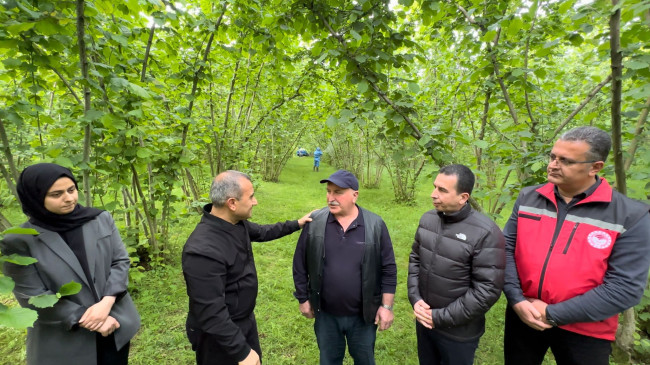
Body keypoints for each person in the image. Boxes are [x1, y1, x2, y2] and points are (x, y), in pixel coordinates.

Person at [503, 126, 650, 365]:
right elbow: (505, 250)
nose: (553, 165)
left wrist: (551, 314)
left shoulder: (630, 216)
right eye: (553, 157)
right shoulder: (529, 198)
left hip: (586, 329)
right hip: (524, 315)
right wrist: (516, 300)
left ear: (595, 167)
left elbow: (626, 287)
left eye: (566, 161)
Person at [0, 163, 140, 365]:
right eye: (56, 194)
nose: (69, 198)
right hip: (65, 338)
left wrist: (106, 303)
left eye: (71, 190)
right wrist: (90, 319)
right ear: (35, 198)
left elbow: (120, 262)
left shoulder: (99, 219)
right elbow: (33, 296)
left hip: (114, 324)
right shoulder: (19, 240)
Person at [182, 170, 313, 365]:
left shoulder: (235, 223)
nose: (255, 201)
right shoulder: (202, 251)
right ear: (232, 203)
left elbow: (262, 232)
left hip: (244, 321)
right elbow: (210, 311)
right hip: (219, 336)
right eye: (251, 197)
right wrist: (241, 351)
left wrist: (296, 224)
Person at [292, 169, 397, 365]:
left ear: (354, 195)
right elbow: (300, 264)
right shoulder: (315, 222)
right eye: (328, 191)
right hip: (326, 315)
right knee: (329, 360)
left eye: (338, 192)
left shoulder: (375, 225)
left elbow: (389, 269)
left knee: (364, 360)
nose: (331, 197)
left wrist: (386, 306)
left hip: (363, 317)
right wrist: (303, 298)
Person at [408, 164, 505, 365]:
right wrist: (415, 298)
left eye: (442, 190)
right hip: (424, 322)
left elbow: (486, 290)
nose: (433, 194)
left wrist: (440, 317)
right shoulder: (428, 219)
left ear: (463, 197)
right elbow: (416, 258)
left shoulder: (486, 233)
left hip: (459, 333)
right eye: (435, 186)